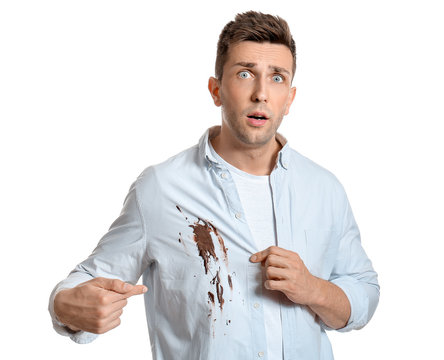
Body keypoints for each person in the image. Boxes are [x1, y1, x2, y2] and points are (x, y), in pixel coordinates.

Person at [49, 11, 379, 359]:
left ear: (291, 98)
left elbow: (364, 291)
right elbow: (82, 283)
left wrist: (314, 289)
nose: (261, 93)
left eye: (277, 78)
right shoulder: (162, 188)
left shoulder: (324, 189)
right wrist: (66, 309)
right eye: (245, 73)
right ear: (216, 89)